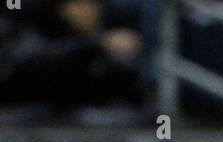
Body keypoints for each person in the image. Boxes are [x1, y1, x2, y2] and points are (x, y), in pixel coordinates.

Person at [0, 0, 145, 111]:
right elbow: (32, 63)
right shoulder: (39, 31)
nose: (88, 12)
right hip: (29, 125)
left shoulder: (105, 48)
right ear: (62, 9)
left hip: (88, 132)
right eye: (79, 5)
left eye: (93, 5)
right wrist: (98, 44)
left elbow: (134, 94)